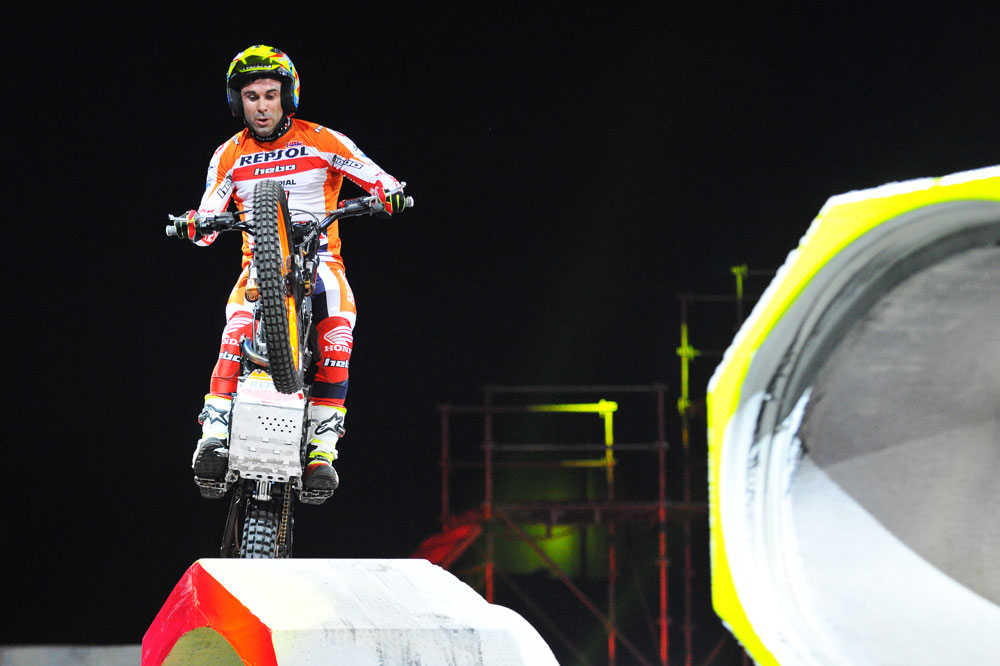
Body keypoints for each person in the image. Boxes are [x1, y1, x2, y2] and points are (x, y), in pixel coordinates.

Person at [173, 45, 407, 499]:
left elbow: (380, 179)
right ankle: (214, 437)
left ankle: (322, 449)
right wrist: (194, 224)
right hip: (257, 270)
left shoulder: (322, 140)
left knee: (339, 332)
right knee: (234, 330)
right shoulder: (228, 155)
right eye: (251, 96)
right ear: (237, 101)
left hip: (322, 265)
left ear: (287, 97)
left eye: (269, 95)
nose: (260, 106)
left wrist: (390, 194)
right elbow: (206, 224)